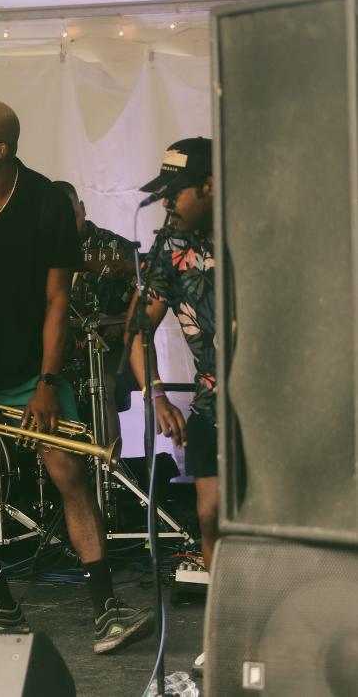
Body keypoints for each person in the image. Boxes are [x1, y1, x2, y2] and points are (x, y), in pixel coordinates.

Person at [0, 100, 151, 653]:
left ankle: (107, 608)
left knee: (68, 471)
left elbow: (56, 300)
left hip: (29, 366)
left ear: (1, 149)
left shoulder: (46, 201)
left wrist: (48, 382)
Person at [126, 138, 218, 571]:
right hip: (212, 403)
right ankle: (227, 619)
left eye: (175, 191)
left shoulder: (257, 239)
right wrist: (157, 394)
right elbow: (137, 330)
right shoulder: (171, 251)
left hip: (272, 409)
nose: (166, 202)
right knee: (211, 515)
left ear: (210, 186)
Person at [53, 180, 138, 436]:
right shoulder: (43, 254)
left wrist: (117, 323)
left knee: (103, 386)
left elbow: (146, 303)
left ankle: (108, 466)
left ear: (82, 208)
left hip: (109, 351)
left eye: (72, 216)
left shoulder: (117, 249)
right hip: (59, 351)